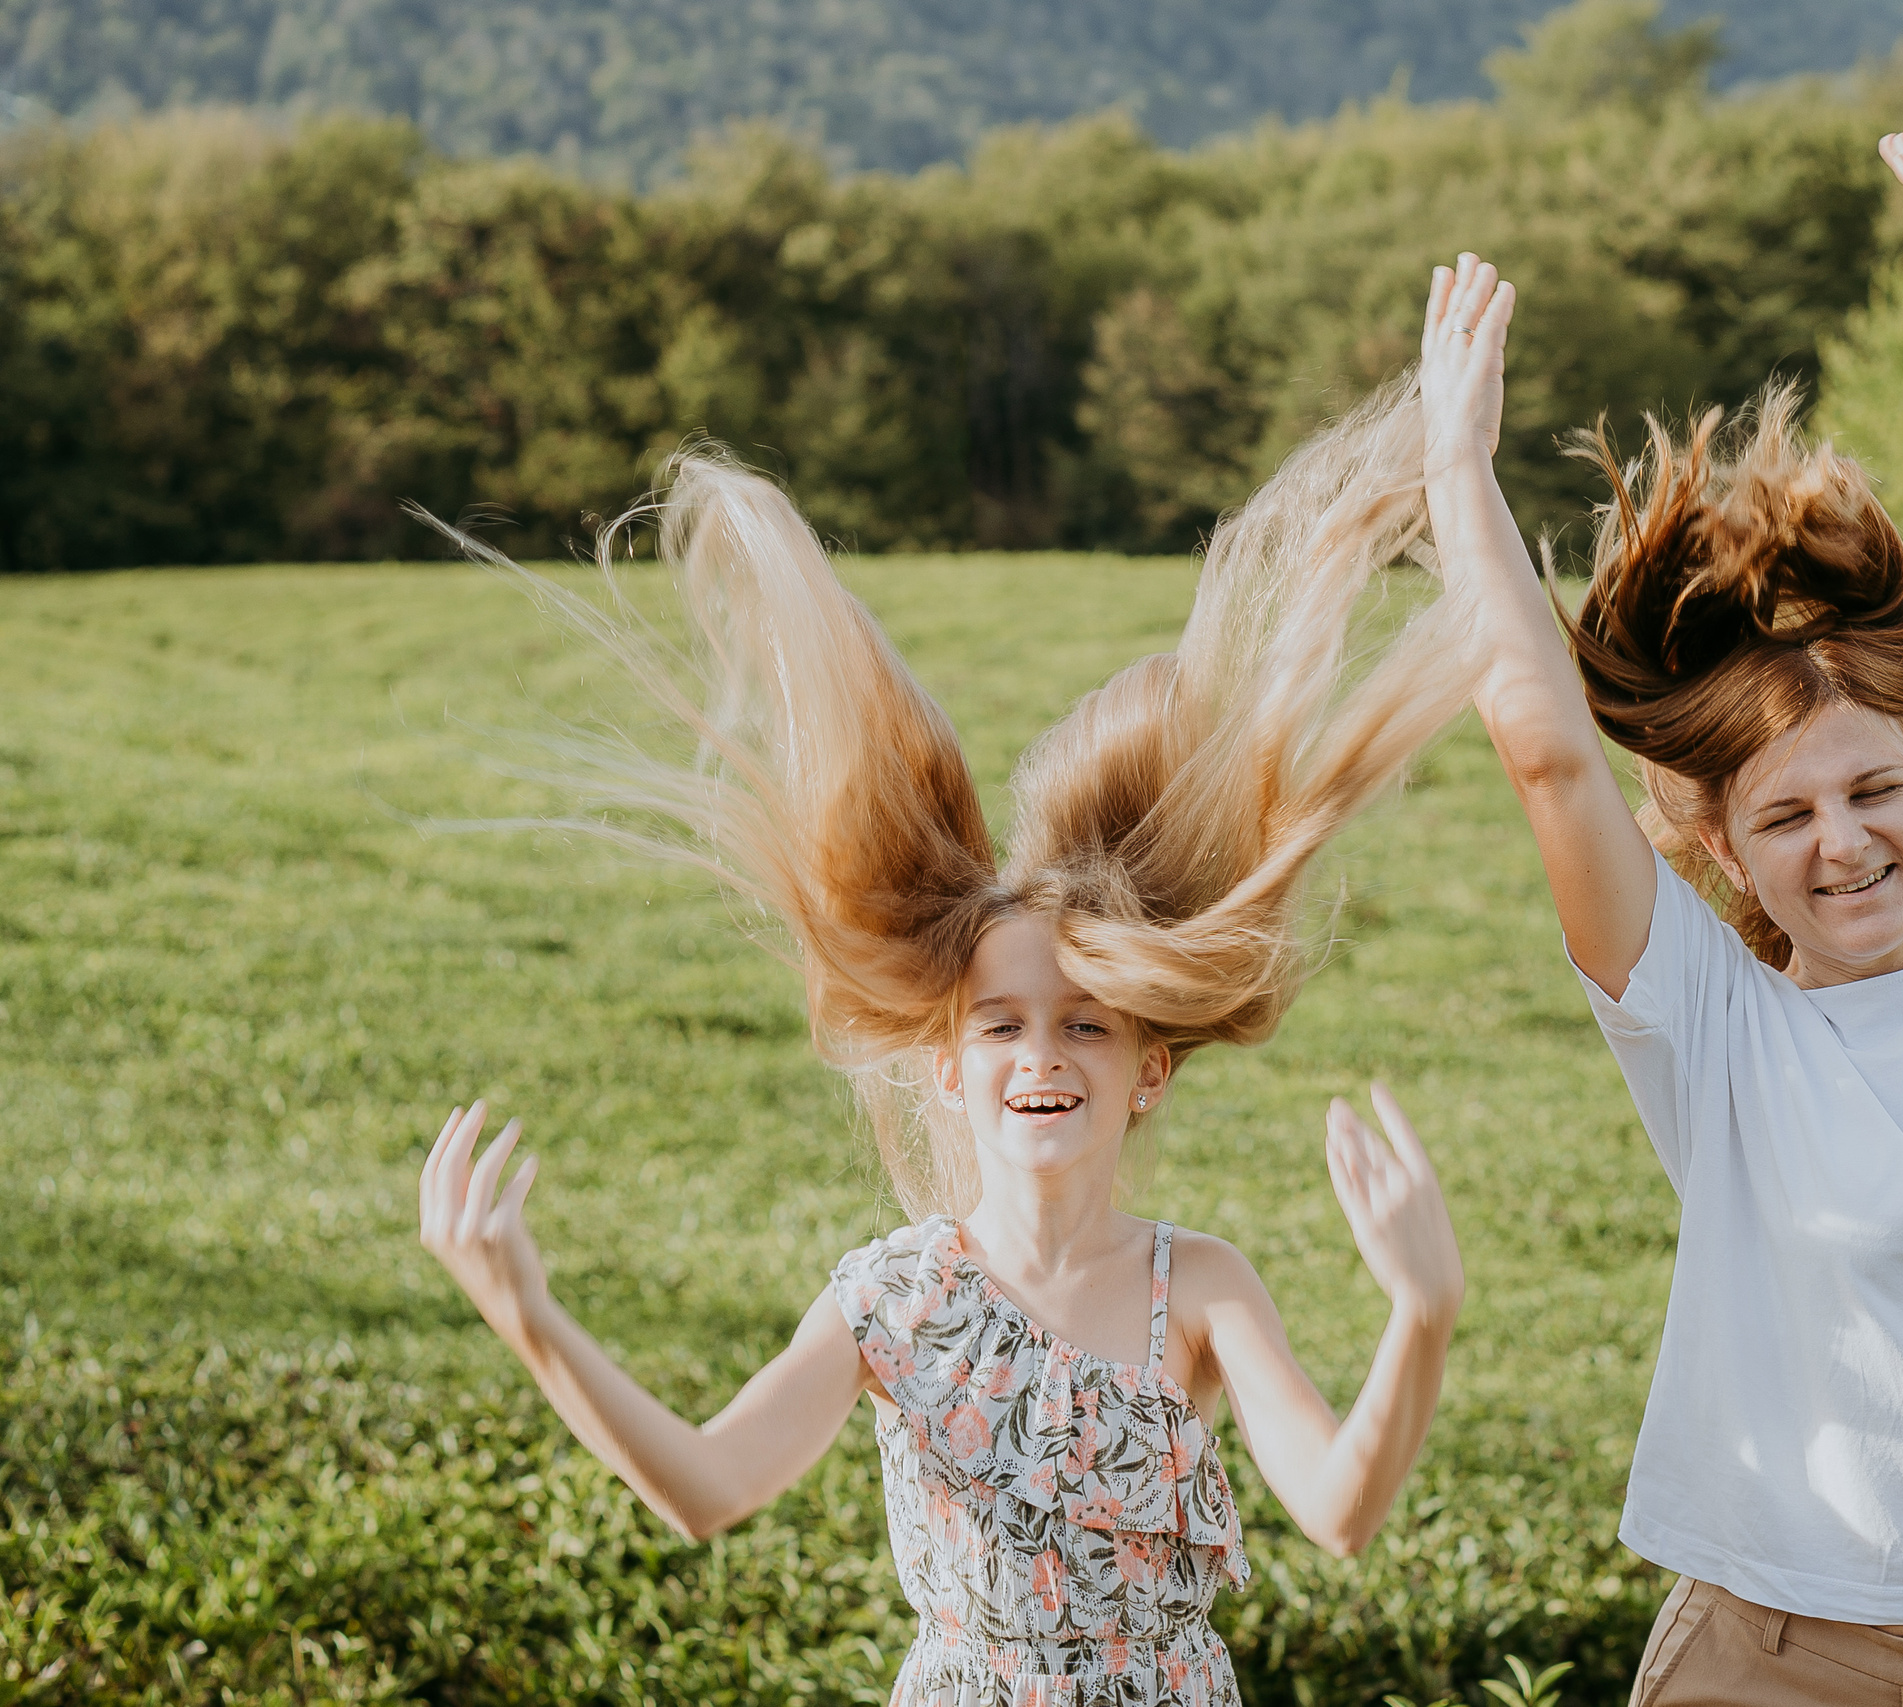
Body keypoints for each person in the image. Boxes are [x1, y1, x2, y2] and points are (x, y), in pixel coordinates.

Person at [414, 381, 1472, 1707]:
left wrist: (1420, 1317)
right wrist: (527, 1314)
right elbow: (705, 1489)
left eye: (1087, 1025)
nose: (1044, 1055)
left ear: (1146, 1071)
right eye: (1003, 1025)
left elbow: (1341, 1510)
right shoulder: (889, 1302)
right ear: (945, 1064)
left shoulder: (1196, 1288)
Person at [1414, 133, 1903, 1704]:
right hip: (1786, 1662)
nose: (1841, 846)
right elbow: (1544, 748)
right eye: (1784, 816)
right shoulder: (1712, 1028)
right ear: (1722, 840)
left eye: (1872, 792)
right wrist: (1454, 476)